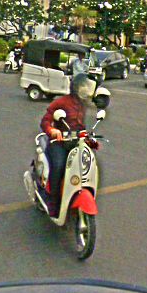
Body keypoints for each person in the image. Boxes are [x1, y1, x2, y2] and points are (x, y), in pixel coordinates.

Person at [39, 73, 96, 214]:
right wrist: (52, 130)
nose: (86, 89)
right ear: (76, 87)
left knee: (86, 164)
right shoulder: (61, 102)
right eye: (83, 86)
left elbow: (80, 126)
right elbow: (45, 121)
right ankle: (53, 202)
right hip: (59, 142)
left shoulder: (82, 104)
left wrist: (88, 137)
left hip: (75, 142)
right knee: (59, 166)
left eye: (87, 86)